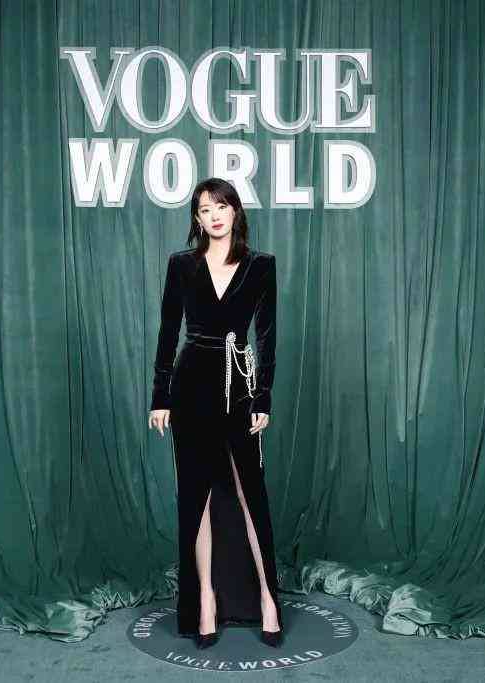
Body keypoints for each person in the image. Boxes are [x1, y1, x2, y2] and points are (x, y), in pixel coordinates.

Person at [147, 177, 284, 649]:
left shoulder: (261, 265)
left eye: (222, 206)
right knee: (196, 496)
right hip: (191, 387)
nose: (215, 216)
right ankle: (204, 598)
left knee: (251, 494)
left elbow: (267, 336)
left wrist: (262, 397)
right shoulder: (181, 265)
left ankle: (268, 599)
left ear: (235, 211)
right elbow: (168, 331)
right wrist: (160, 396)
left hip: (240, 386)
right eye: (205, 209)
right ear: (197, 219)